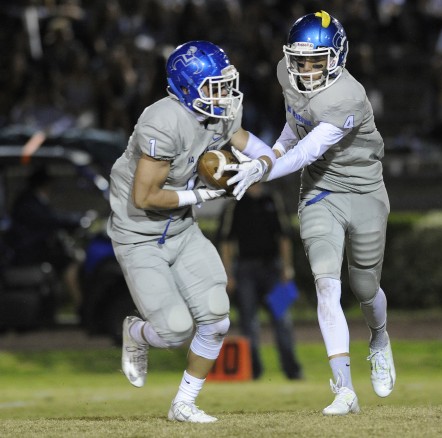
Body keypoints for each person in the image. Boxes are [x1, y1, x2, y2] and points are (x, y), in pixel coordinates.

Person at [227, 10, 395, 416]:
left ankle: (380, 338)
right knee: (326, 283)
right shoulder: (288, 74)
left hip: (365, 191)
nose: (305, 69)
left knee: (365, 290)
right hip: (320, 190)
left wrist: (263, 166)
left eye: (315, 60)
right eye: (299, 59)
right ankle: (343, 389)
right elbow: (294, 131)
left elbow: (309, 149)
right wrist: (271, 154)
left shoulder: (347, 96)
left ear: (337, 56)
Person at [107, 40, 276, 423]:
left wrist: (264, 164)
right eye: (213, 86)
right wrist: (200, 194)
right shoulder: (163, 121)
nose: (225, 94)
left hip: (181, 229)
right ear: (186, 88)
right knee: (174, 331)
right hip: (139, 234)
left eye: (226, 83)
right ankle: (137, 333)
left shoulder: (221, 111)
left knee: (217, 318)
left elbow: (247, 141)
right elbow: (145, 196)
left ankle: (184, 403)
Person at [217, 183, 303, 380]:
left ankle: (292, 371)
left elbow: (283, 236)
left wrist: (287, 267)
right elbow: (226, 241)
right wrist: (228, 274)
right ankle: (253, 371)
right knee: (249, 323)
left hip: (273, 269)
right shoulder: (234, 203)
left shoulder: (273, 199)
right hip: (245, 271)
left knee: (283, 320)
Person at [6, 166, 86, 314]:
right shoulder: (30, 203)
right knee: (69, 263)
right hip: (29, 250)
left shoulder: (30, 199)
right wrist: (76, 221)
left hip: (33, 247)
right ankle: (78, 304)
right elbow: (51, 220)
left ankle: (69, 302)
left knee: (66, 258)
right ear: (44, 184)